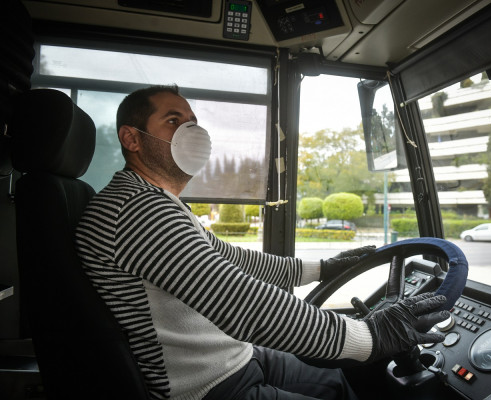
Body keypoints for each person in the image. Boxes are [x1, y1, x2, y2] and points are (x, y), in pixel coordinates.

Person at [75, 85, 450, 400]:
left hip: (232, 358)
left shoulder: (157, 202)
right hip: (203, 388)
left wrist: (323, 268)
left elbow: (233, 260)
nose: (191, 131)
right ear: (132, 138)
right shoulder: (135, 210)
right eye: (174, 121)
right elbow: (236, 299)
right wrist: (369, 336)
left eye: (193, 122)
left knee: (337, 382)